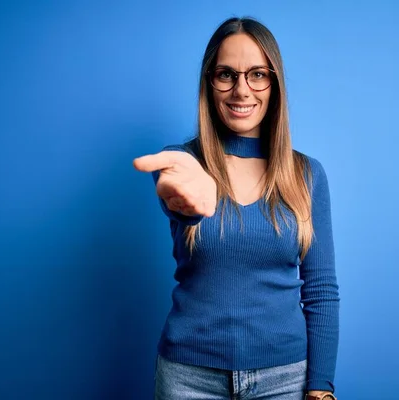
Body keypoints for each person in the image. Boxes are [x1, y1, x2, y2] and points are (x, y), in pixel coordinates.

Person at [133, 16, 340, 400]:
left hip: (285, 381)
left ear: (274, 84)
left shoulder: (307, 175)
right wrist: (188, 204)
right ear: (209, 83)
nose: (241, 90)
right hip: (189, 379)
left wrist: (320, 387)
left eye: (257, 74)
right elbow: (180, 199)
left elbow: (322, 290)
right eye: (226, 74)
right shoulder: (182, 162)